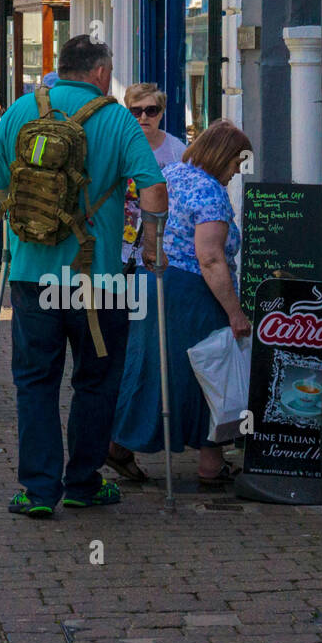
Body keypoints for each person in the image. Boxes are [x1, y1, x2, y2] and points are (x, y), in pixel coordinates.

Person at [0, 35, 168, 518]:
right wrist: (151, 243)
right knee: (96, 380)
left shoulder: (21, 111)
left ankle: (38, 491)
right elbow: (153, 187)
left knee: (36, 381)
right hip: (99, 280)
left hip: (30, 273)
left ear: (60, 68)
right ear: (102, 73)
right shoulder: (117, 119)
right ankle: (84, 482)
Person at [112, 119, 253, 489]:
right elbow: (210, 258)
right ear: (223, 157)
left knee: (150, 366)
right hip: (189, 290)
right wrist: (235, 311)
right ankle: (125, 444)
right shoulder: (209, 192)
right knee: (210, 370)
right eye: (236, 164)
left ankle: (202, 460)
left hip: (150, 280)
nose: (237, 173)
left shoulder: (171, 173)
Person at [111, 82, 189, 482]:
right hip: (116, 258)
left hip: (154, 262)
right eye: (136, 111)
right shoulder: (118, 144)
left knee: (140, 350)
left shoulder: (176, 151)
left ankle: (119, 440)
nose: (144, 118)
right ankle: (116, 437)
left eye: (151, 111)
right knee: (116, 349)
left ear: (163, 112)